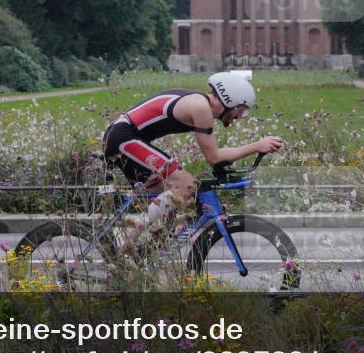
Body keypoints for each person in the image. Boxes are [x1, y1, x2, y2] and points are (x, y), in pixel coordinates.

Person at [103, 72, 283, 254]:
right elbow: (214, 157)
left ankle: (146, 255)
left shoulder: (200, 103)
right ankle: (124, 243)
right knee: (186, 186)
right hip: (124, 137)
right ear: (232, 101)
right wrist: (257, 145)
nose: (240, 116)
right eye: (242, 109)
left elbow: (215, 156)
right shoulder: (201, 108)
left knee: (173, 202)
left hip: (125, 136)